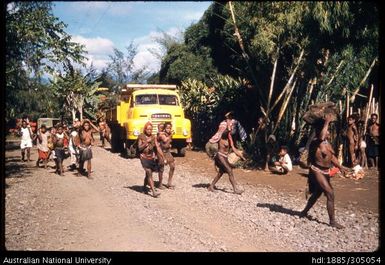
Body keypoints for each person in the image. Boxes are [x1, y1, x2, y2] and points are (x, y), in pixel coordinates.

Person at [300, 114, 348, 229]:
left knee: (317, 193)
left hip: (325, 172)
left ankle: (304, 212)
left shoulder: (326, 143)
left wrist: (340, 167)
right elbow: (321, 136)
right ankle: (332, 221)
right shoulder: (316, 141)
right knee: (330, 194)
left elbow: (331, 157)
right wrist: (326, 122)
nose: (328, 133)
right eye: (326, 131)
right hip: (317, 171)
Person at [208, 122, 246, 195]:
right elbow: (225, 133)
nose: (232, 130)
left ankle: (211, 186)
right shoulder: (223, 136)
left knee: (220, 173)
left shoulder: (229, 139)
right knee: (229, 170)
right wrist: (228, 129)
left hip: (224, 157)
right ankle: (235, 189)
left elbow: (234, 149)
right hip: (220, 156)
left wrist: (242, 157)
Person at [138, 122, 164, 198]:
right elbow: (139, 148)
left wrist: (162, 157)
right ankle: (153, 192)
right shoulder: (141, 136)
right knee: (149, 172)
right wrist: (146, 142)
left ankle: (144, 187)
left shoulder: (153, 137)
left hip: (151, 157)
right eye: (148, 129)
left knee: (148, 173)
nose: (149, 130)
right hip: (143, 157)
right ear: (145, 129)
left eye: (150, 129)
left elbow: (157, 147)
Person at [158, 122, 176, 189]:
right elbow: (165, 140)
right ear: (164, 128)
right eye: (167, 128)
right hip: (162, 152)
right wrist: (171, 134)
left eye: (170, 128)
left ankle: (169, 182)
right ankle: (160, 184)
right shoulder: (162, 134)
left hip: (168, 152)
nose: (169, 129)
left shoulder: (168, 134)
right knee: (161, 169)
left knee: (173, 166)